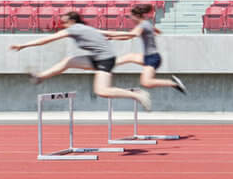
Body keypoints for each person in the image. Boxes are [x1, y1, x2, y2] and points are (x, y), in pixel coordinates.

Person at [10, 11, 152, 111]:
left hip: (104, 60)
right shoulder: (86, 28)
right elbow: (110, 33)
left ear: (72, 21)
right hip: (99, 58)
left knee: (102, 91)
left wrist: (23, 45)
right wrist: (130, 35)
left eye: (64, 22)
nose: (62, 25)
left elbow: (47, 40)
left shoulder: (73, 29)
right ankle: (40, 77)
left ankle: (137, 95)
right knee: (69, 61)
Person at [106, 2, 186, 93]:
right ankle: (105, 65)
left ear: (137, 16)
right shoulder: (146, 24)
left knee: (146, 82)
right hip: (149, 56)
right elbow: (157, 31)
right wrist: (113, 38)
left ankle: (173, 83)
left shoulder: (143, 25)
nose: (131, 19)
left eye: (131, 17)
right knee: (129, 57)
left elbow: (131, 35)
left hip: (152, 58)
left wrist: (110, 35)